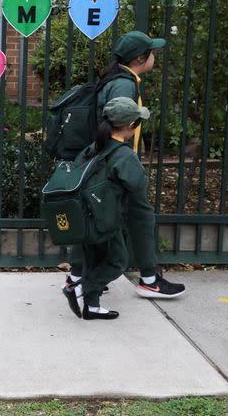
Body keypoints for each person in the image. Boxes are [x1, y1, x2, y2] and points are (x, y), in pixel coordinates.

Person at [65, 31, 185, 299]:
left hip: (111, 162)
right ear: (141, 58)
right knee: (140, 218)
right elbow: (116, 124)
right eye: (152, 52)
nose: (155, 56)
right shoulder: (123, 85)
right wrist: (123, 163)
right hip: (118, 166)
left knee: (99, 219)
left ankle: (76, 278)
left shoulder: (119, 78)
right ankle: (149, 279)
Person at [63, 97, 155, 320]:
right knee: (117, 262)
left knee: (95, 260)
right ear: (130, 126)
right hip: (105, 220)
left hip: (85, 218)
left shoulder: (92, 148)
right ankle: (78, 289)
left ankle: (92, 307)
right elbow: (138, 184)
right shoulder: (123, 154)